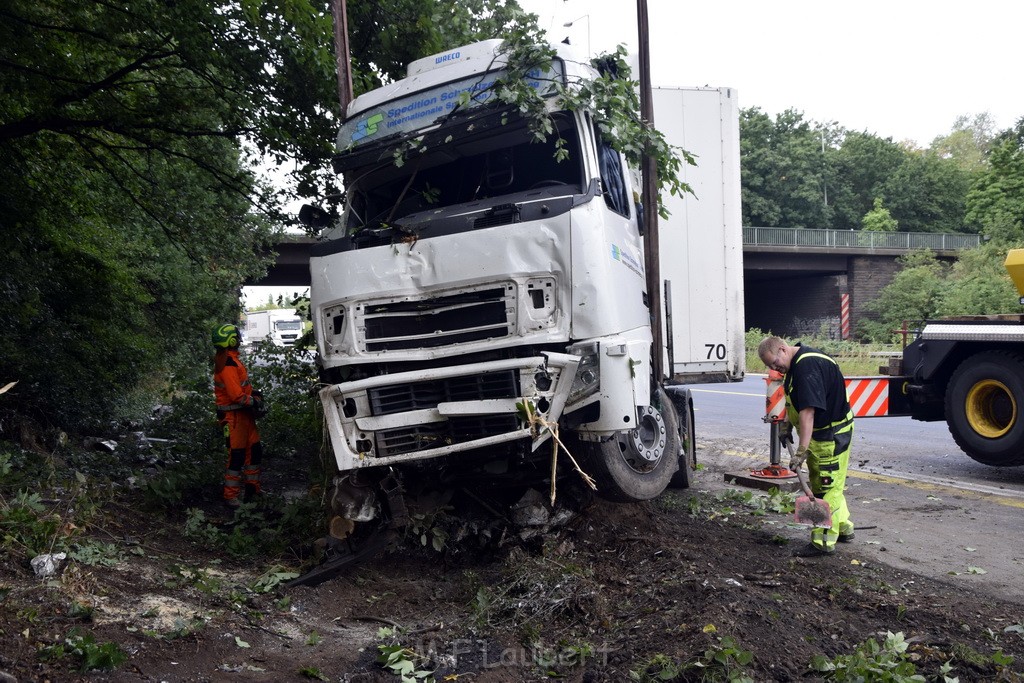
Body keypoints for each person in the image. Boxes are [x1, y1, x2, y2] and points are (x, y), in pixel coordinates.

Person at [758, 335, 854, 555]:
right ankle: (844, 528)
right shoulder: (796, 364)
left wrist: (801, 451)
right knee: (831, 482)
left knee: (827, 488)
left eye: (774, 362)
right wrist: (786, 426)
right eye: (770, 366)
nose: (775, 368)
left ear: (782, 349)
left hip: (830, 436)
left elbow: (808, 412)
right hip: (821, 435)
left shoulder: (806, 367)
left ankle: (822, 543)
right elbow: (795, 402)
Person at [212, 323, 265, 508]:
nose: (239, 340)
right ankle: (231, 496)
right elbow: (236, 395)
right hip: (233, 417)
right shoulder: (227, 364)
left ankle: (253, 490)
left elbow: (241, 389)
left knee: (255, 451)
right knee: (237, 456)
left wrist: (254, 394)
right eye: (236, 337)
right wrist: (254, 402)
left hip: (244, 416)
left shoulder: (231, 360)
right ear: (231, 340)